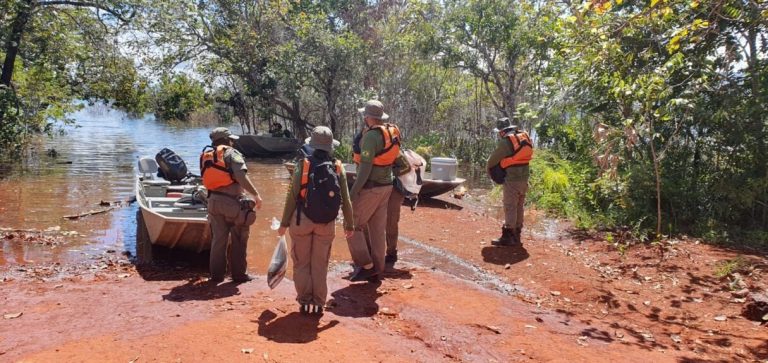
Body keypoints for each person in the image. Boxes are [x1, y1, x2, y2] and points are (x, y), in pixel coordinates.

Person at [278, 126, 354, 314]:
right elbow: (346, 199)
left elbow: (292, 196)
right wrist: (349, 224)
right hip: (327, 223)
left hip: (302, 221)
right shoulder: (337, 167)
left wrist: (284, 223)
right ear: (330, 146)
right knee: (320, 265)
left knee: (301, 263)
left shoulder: (303, 165)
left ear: (312, 145)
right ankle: (319, 302)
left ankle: (305, 301)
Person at [346, 100, 401, 282]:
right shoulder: (390, 132)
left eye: (365, 115)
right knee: (377, 230)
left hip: (372, 188)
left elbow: (365, 169)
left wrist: (352, 193)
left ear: (368, 117)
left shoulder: (370, 137)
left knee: (352, 224)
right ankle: (377, 268)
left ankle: (365, 265)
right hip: (386, 186)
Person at [200, 127, 263, 283]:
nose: (233, 142)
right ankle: (239, 275)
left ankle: (216, 276)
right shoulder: (232, 153)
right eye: (231, 140)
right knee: (239, 238)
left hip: (213, 202)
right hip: (232, 203)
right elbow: (241, 176)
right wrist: (256, 194)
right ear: (227, 140)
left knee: (218, 240)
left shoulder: (206, 156)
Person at [352, 130, 410, 267]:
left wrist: (388, 173)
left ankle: (391, 252)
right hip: (374, 190)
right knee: (366, 222)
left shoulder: (388, 149)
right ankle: (370, 255)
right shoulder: (363, 150)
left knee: (391, 221)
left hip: (393, 190)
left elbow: (406, 167)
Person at [486, 117, 533, 246]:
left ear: (502, 131)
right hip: (524, 178)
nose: (499, 134)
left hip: (512, 180)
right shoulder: (522, 137)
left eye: (499, 132)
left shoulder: (506, 142)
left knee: (510, 206)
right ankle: (517, 235)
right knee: (519, 206)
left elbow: (492, 161)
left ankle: (508, 236)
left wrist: (490, 171)